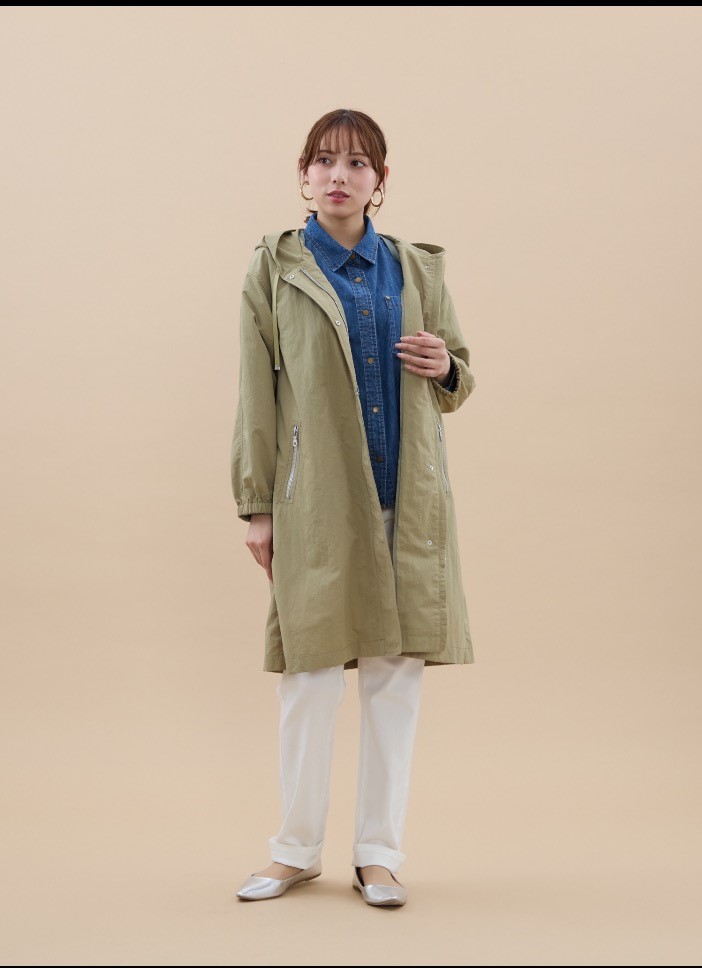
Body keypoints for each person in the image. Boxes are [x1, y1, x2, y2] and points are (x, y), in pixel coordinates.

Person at [231, 108, 477, 907]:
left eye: (358, 162)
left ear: (380, 180)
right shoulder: (275, 268)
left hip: (407, 502)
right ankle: (295, 850)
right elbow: (256, 392)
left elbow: (458, 378)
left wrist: (444, 367)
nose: (340, 175)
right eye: (325, 160)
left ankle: (378, 854)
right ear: (304, 176)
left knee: (393, 680)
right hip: (317, 506)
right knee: (309, 678)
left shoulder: (416, 269)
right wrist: (257, 506)